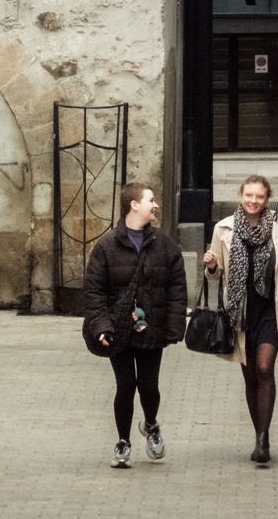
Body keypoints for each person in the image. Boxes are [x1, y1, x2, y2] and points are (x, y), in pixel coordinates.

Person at [202, 174, 278, 464]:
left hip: (271, 311)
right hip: (240, 315)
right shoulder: (223, 228)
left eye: (259, 196)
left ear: (266, 199)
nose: (253, 201)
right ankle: (260, 432)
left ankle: (263, 438)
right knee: (250, 377)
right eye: (249, 195)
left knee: (264, 368)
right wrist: (211, 267)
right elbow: (215, 278)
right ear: (240, 196)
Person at [82, 182, 188, 468]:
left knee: (149, 386)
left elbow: (177, 288)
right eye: (150, 200)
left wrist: (174, 327)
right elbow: (94, 292)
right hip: (119, 329)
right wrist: (101, 326)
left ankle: (151, 425)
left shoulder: (165, 246)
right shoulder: (106, 247)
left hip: (151, 328)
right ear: (134, 205)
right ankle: (123, 441)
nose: (155, 205)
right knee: (126, 385)